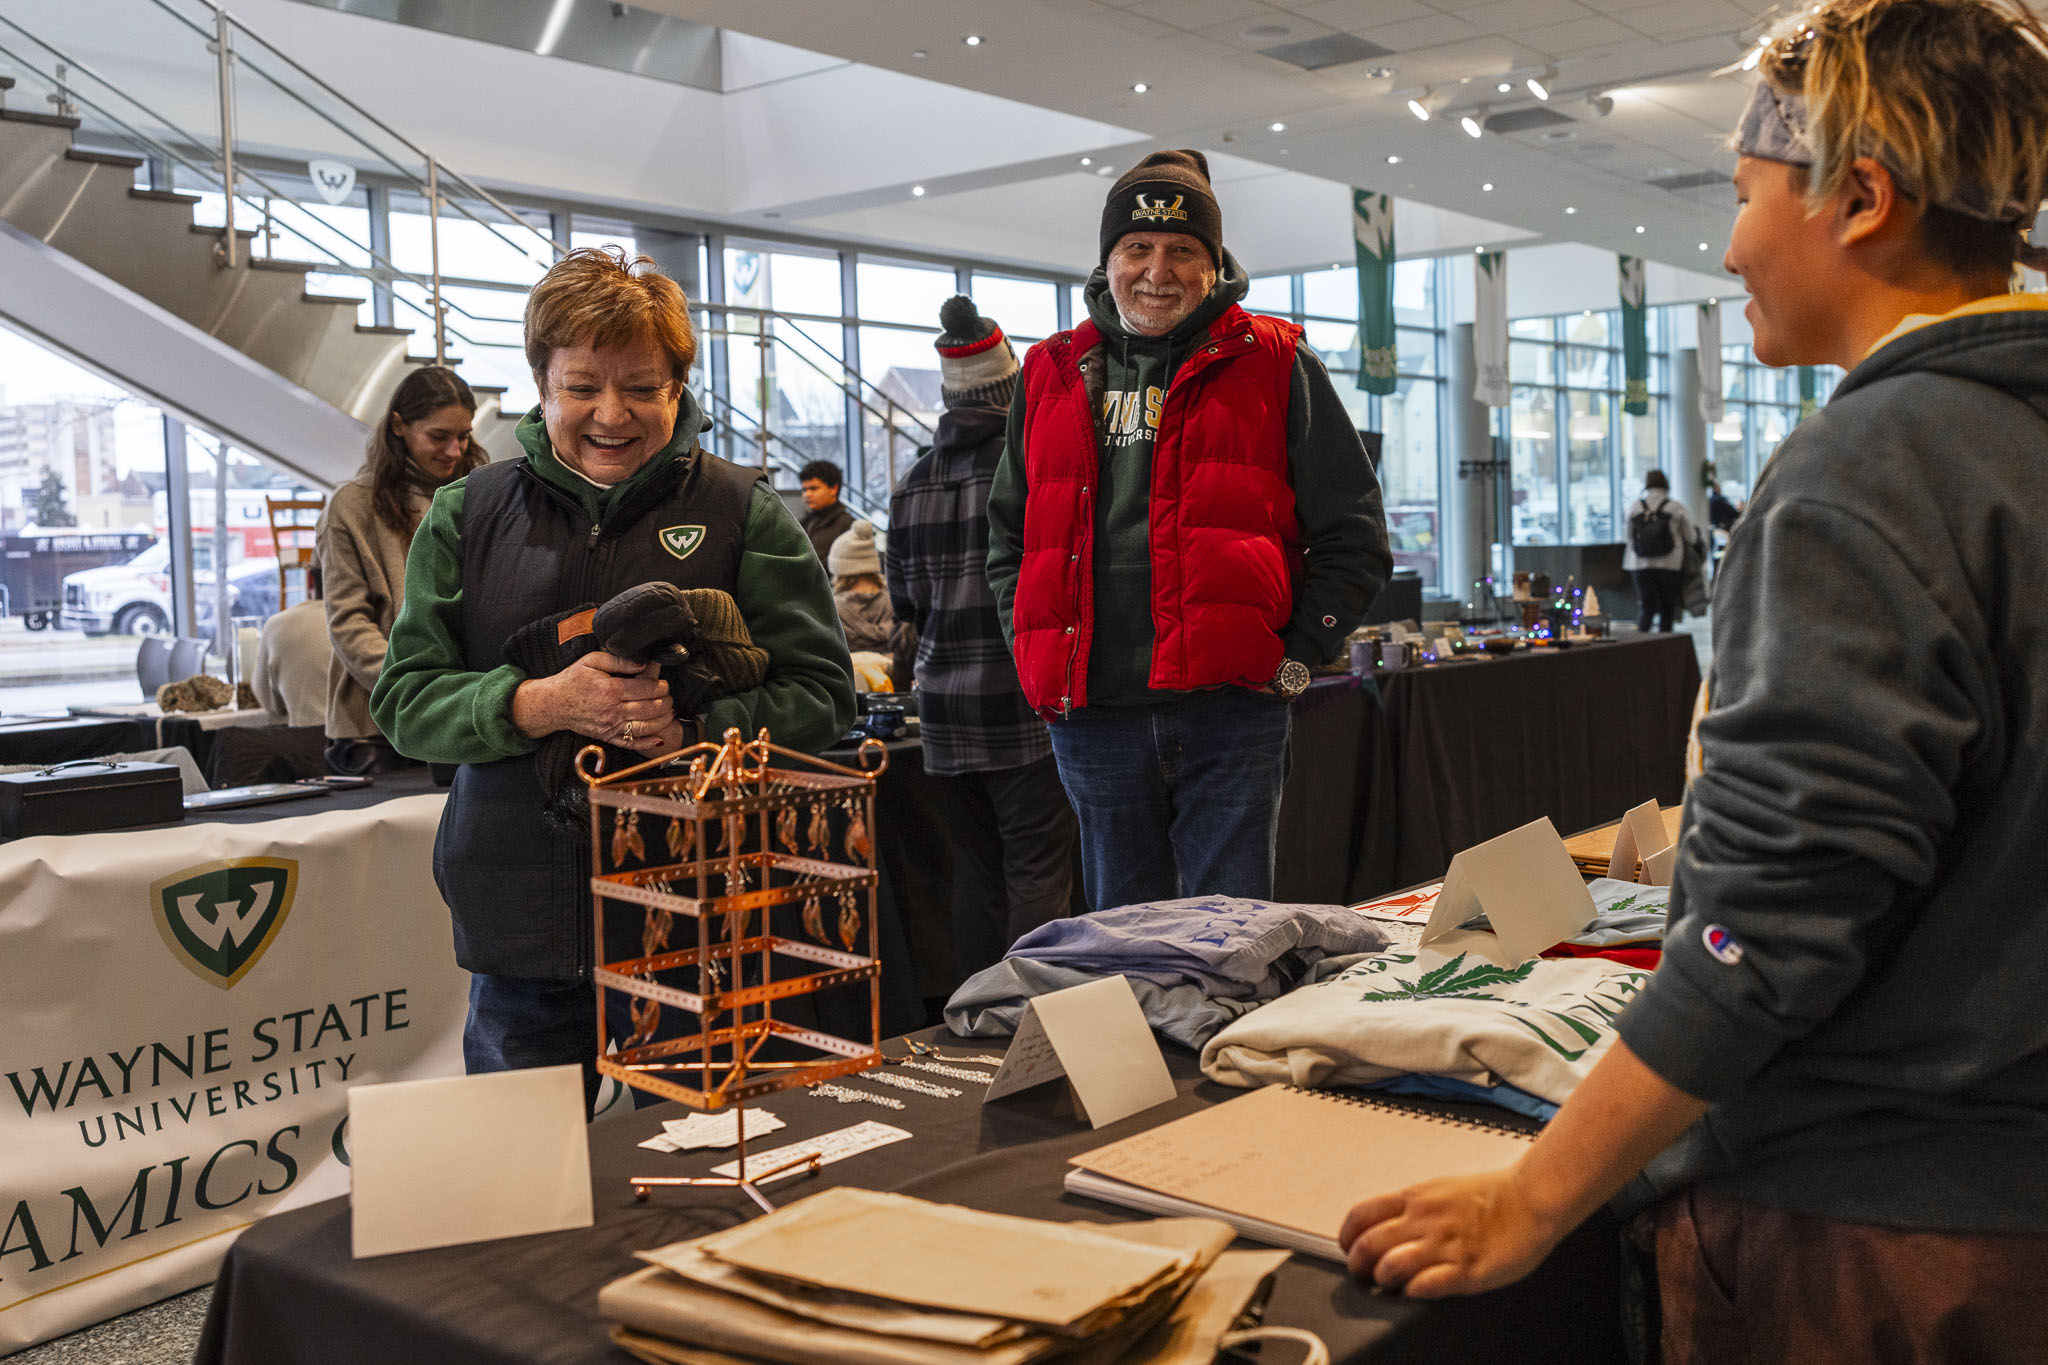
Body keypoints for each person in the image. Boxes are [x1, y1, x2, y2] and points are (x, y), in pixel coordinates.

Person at [1340, 3, 2048, 1359]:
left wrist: (1533, 1199)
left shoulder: (1874, 468)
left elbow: (1767, 937)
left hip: (1878, 1236)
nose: (1727, 246)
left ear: (1860, 197)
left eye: (1742, 196)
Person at [370, 247, 854, 1108]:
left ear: (678, 388)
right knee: (521, 1194)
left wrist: (696, 734)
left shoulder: (745, 511)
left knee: (700, 1185)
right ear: (542, 384)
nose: (611, 413)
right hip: (522, 918)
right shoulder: (467, 514)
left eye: (641, 386)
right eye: (584, 384)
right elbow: (404, 703)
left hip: (703, 917)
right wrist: (537, 703)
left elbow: (823, 694)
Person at [987, 149, 1391, 911]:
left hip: (1230, 712)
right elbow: (1009, 538)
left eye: (1182, 250)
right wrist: (1030, 648)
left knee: (1231, 941)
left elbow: (1356, 535)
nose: (1156, 270)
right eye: (1136, 247)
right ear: (1108, 259)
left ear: (1215, 264)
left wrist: (1295, 662)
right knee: (1122, 941)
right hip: (1093, 717)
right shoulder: (1050, 370)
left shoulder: (1274, 361)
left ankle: (1226, 1038)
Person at [889, 296, 1078, 976]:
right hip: (1023, 701)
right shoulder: (1035, 467)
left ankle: (975, 1019)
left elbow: (904, 602)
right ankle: (1038, 1019)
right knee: (1037, 870)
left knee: (976, 873)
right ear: (1012, 389)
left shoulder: (912, 483)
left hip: (942, 709)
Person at [317, 365, 487, 774]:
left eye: (463, 436)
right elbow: (349, 623)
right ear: (398, 426)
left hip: (469, 716)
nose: (454, 451)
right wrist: (413, 693)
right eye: (438, 436)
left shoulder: (482, 495)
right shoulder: (352, 506)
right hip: (377, 727)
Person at [248, 563, 328, 729]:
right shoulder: (371, 624)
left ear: (310, 580)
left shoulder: (277, 625)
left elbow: (268, 702)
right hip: (368, 748)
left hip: (302, 745)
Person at [1620, 469, 1692, 633]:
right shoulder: (1675, 507)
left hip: (1639, 563)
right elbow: (1690, 536)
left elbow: (1628, 535)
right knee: (1667, 609)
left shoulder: (1635, 506)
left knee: (1646, 607)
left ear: (1647, 484)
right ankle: (1665, 648)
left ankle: (1641, 647)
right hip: (1670, 563)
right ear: (1666, 484)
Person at [798, 458, 854, 563]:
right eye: (804, 489)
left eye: (813, 488)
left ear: (834, 489)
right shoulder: (805, 522)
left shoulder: (847, 525)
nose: (807, 494)